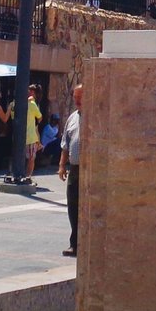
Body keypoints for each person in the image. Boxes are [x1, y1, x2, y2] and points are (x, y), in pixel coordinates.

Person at [58, 84, 83, 255]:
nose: (77, 101)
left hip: (91, 170)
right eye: (75, 97)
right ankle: (74, 243)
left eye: (80, 97)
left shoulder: (96, 117)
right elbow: (65, 145)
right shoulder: (72, 118)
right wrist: (62, 165)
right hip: (74, 168)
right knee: (73, 205)